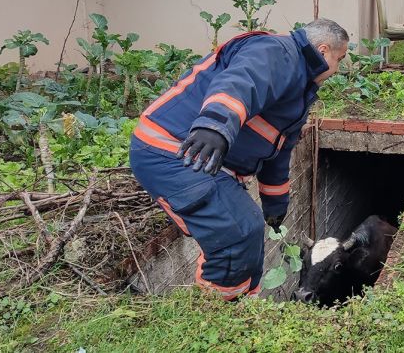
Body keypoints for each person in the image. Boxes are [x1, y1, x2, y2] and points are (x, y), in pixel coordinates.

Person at [129, 19, 348, 299]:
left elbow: (278, 152)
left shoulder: (299, 90)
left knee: (251, 233)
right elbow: (242, 81)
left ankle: (240, 306)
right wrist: (214, 126)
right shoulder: (278, 52)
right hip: (174, 150)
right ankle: (215, 312)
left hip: (209, 161)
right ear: (324, 50)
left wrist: (275, 203)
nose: (338, 69)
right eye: (340, 59)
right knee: (236, 235)